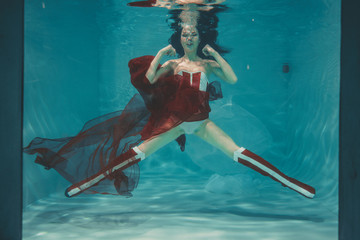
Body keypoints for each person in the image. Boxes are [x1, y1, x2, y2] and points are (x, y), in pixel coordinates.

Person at [24, 12, 315, 199]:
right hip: (173, 123)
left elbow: (233, 78)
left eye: (194, 34)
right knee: (137, 153)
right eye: (185, 34)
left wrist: (214, 53)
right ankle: (88, 182)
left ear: (200, 36)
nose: (189, 37)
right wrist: (161, 54)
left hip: (201, 123)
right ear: (180, 37)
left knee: (236, 151)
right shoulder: (173, 63)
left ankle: (290, 183)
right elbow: (149, 79)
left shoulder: (207, 64)